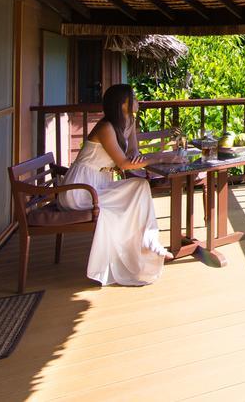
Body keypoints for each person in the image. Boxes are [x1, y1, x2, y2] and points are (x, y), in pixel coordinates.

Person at [58, 84, 181, 286]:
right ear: (122, 104)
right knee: (129, 198)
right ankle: (137, 248)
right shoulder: (105, 128)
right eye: (133, 98)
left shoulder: (128, 121)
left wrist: (144, 157)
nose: (137, 101)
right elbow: (124, 163)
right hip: (80, 188)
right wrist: (160, 158)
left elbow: (132, 152)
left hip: (99, 183)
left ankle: (150, 242)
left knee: (140, 186)